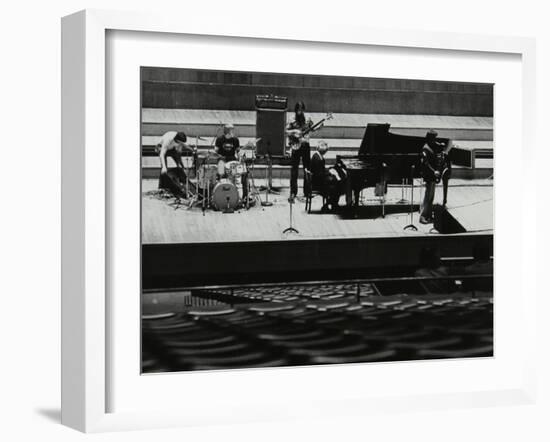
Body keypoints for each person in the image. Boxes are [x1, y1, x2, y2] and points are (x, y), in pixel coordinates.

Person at [286, 101, 319, 199]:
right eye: (298, 110)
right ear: (296, 110)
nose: (300, 112)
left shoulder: (308, 118)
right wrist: (295, 131)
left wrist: (319, 127)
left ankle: (307, 191)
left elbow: (312, 129)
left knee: (307, 169)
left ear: (303, 110)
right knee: (294, 170)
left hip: (305, 145)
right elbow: (286, 131)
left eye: (301, 110)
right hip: (296, 146)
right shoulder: (292, 119)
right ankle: (293, 192)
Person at [419, 130, 451, 224]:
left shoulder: (431, 146)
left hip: (432, 175)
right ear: (429, 138)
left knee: (431, 197)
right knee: (428, 196)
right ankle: (423, 216)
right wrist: (435, 171)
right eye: (433, 138)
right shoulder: (426, 149)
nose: (434, 140)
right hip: (429, 175)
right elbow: (426, 163)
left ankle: (428, 215)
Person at [309, 141, 349, 211]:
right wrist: (331, 173)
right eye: (326, 151)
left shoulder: (317, 156)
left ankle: (331, 204)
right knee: (338, 185)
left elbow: (321, 170)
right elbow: (319, 174)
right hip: (318, 183)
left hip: (318, 180)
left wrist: (329, 170)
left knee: (337, 183)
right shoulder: (318, 159)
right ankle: (331, 204)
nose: (326, 152)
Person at [214, 123, 248, 201]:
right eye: (230, 130)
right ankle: (220, 197)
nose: (232, 131)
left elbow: (238, 151)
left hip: (232, 162)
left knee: (236, 180)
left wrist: (241, 157)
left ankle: (238, 198)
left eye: (232, 129)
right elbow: (215, 152)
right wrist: (219, 156)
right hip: (222, 162)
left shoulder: (235, 139)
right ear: (226, 130)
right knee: (220, 178)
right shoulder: (219, 139)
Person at [157, 131, 194, 198]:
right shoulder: (168, 140)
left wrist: (181, 166)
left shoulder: (179, 141)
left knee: (179, 166)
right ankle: (162, 187)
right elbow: (162, 154)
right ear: (177, 140)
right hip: (161, 147)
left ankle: (180, 182)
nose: (181, 144)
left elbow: (179, 155)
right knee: (164, 168)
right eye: (181, 143)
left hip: (172, 148)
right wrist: (164, 167)